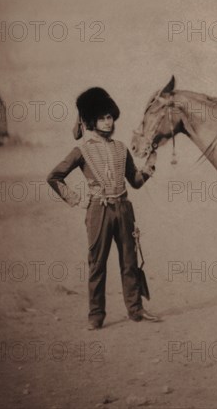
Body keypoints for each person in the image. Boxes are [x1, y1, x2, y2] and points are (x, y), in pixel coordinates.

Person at [47, 87, 160, 330]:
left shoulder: (121, 148)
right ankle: (95, 317)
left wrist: (149, 168)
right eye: (101, 118)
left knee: (129, 263)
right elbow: (54, 177)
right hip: (98, 211)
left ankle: (136, 310)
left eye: (109, 117)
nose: (108, 123)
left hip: (124, 210)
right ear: (90, 121)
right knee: (97, 265)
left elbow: (136, 182)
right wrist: (78, 200)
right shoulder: (82, 151)